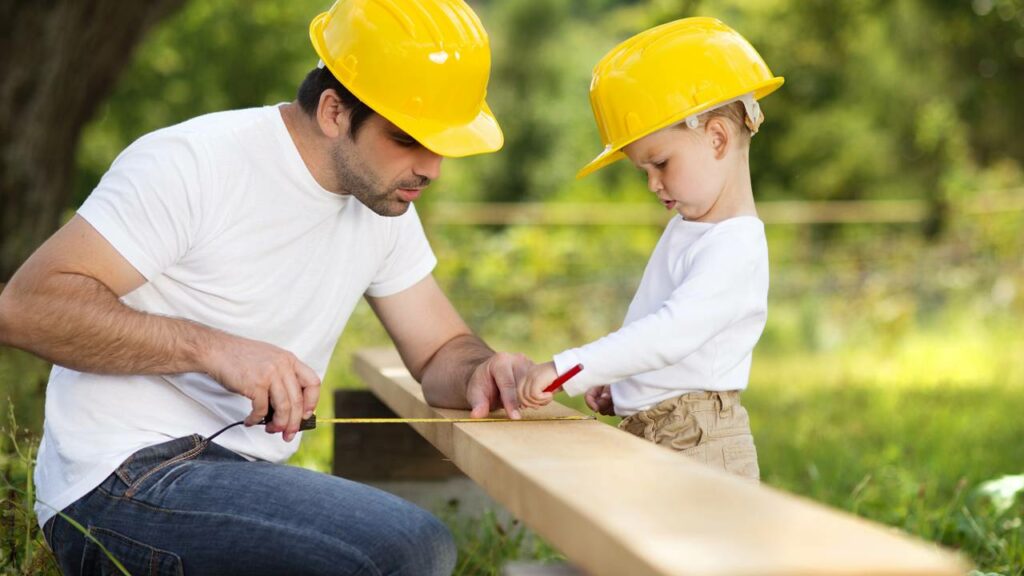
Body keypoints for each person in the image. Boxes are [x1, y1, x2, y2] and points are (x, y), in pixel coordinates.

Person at [0, 1, 531, 574]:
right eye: (408, 138)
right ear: (334, 111)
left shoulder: (383, 199)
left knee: (409, 543)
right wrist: (214, 349)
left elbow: (440, 350)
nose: (432, 168)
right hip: (119, 481)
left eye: (443, 145)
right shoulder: (193, 162)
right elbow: (24, 309)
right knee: (409, 546)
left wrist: (480, 372)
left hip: (238, 477)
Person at [516, 17, 783, 482]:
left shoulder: (734, 246)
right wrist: (625, 387)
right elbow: (660, 336)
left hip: (700, 443)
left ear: (717, 138)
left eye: (660, 163)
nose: (653, 184)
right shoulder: (688, 229)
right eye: (644, 170)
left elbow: (670, 334)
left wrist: (567, 370)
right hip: (659, 430)